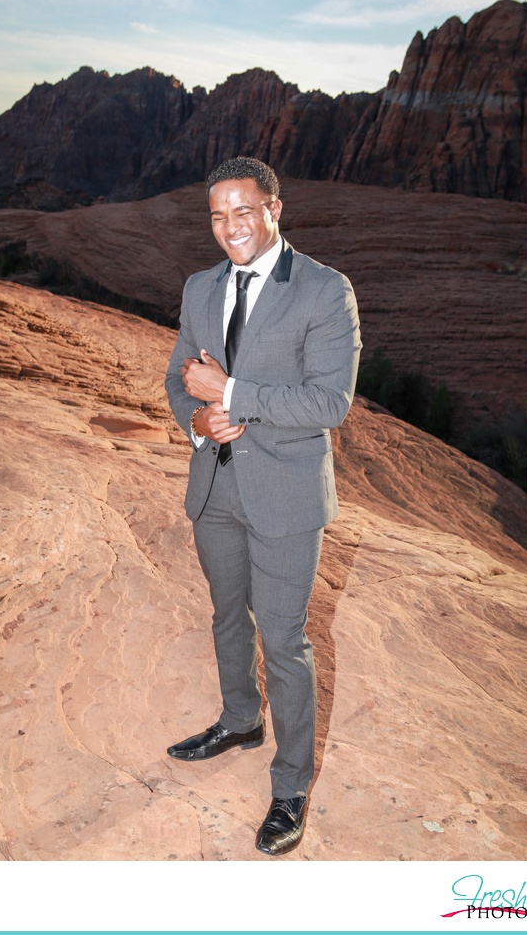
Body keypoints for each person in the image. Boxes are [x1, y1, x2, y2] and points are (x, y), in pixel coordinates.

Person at [164, 156, 361, 856]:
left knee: (283, 639)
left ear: (275, 210)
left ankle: (289, 786)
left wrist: (234, 395)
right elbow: (181, 374)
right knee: (225, 613)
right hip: (215, 483)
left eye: (242, 211)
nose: (229, 228)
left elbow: (329, 402)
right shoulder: (198, 287)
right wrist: (198, 419)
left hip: (285, 494)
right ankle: (240, 719)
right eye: (218, 215)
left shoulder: (324, 290)